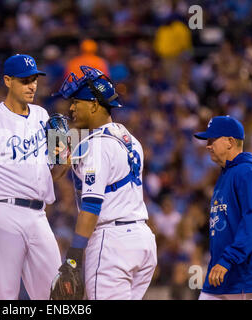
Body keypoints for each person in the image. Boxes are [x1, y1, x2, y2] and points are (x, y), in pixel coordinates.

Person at [53, 66, 157, 299]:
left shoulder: (97, 146)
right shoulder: (128, 138)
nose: (71, 108)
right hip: (142, 241)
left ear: (93, 105)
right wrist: (59, 155)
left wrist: (73, 259)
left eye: (76, 102)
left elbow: (91, 207)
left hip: (112, 243)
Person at [0, 54, 64, 299]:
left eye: (34, 80)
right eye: (25, 80)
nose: (32, 85)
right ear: (8, 81)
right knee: (4, 293)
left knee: (57, 292)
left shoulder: (44, 116)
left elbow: (56, 172)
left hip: (38, 214)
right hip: (2, 213)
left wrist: (66, 154)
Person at [194, 115, 252, 300]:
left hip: (249, 280)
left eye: (213, 139)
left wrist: (229, 259)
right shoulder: (227, 174)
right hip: (222, 277)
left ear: (230, 142)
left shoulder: (248, 172)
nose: (208, 145)